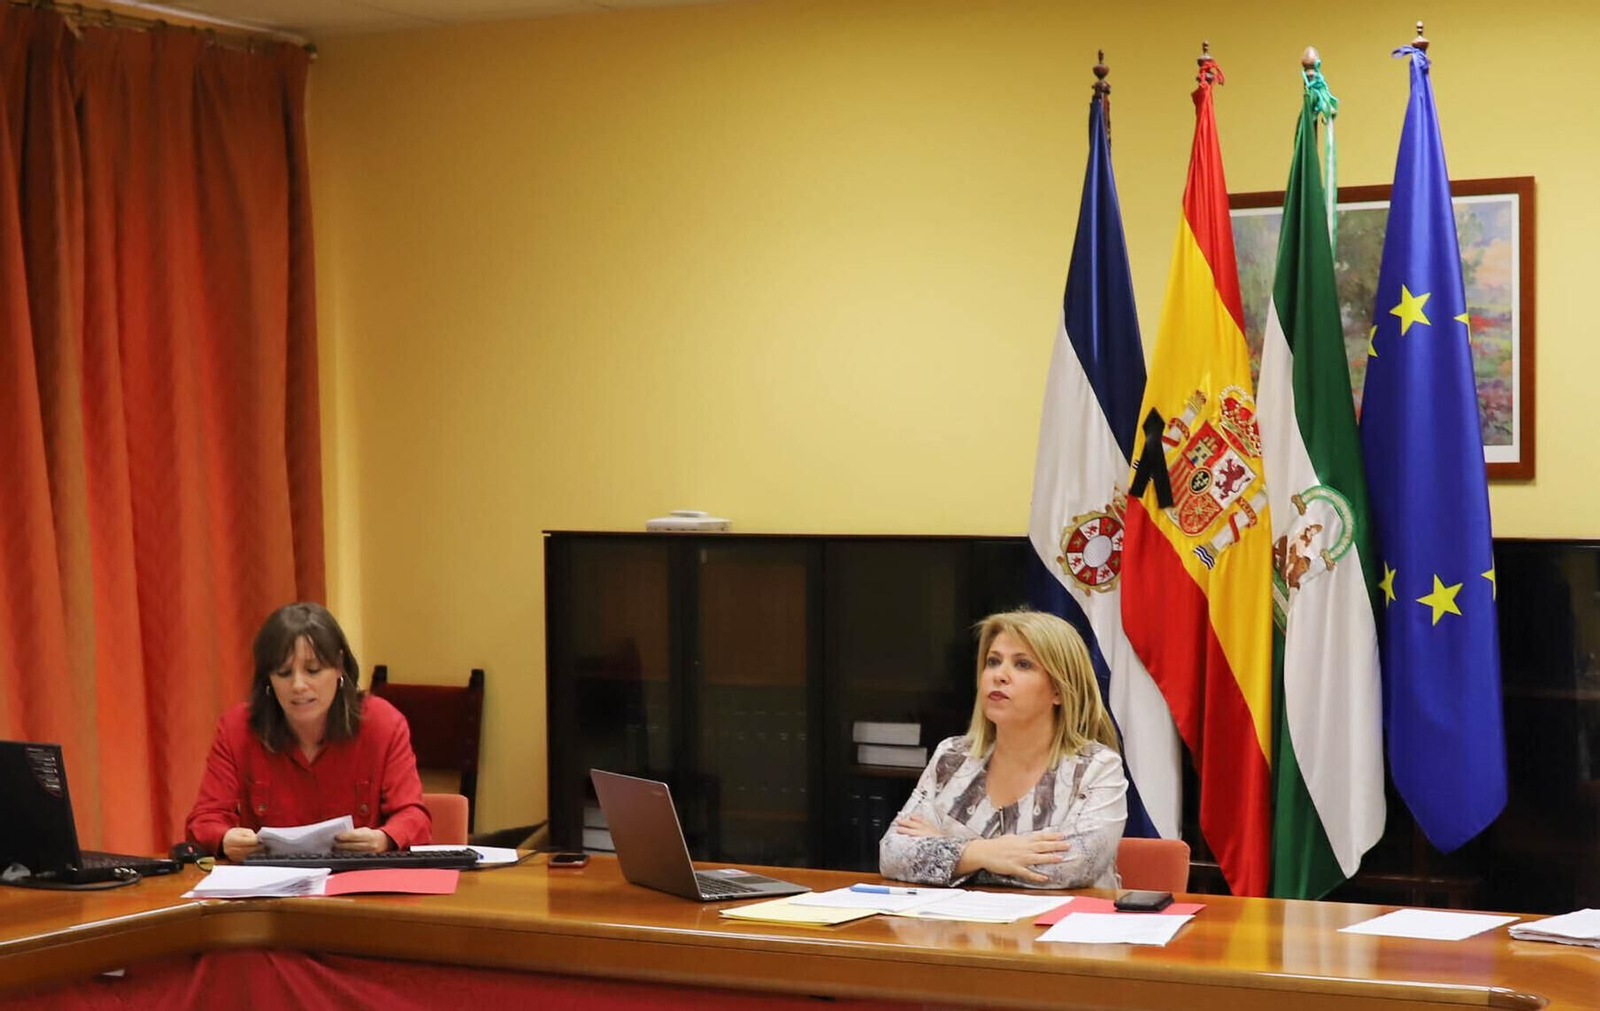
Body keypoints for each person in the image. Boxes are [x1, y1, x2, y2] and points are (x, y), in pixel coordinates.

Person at [879, 610, 1127, 889]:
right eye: (993, 662)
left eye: (1022, 664)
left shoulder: (1096, 767)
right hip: (962, 929)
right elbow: (892, 853)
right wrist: (985, 853)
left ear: (1058, 690)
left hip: (1061, 929)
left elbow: (1072, 868)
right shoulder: (952, 757)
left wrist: (950, 853)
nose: (999, 675)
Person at [186, 602, 432, 860]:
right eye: (283, 673)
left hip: (361, 887)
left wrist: (384, 838)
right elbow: (204, 820)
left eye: (313, 670)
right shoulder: (237, 729)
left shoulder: (383, 724)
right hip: (271, 891)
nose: (298, 685)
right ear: (268, 678)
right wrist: (225, 839)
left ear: (338, 666)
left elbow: (414, 817)